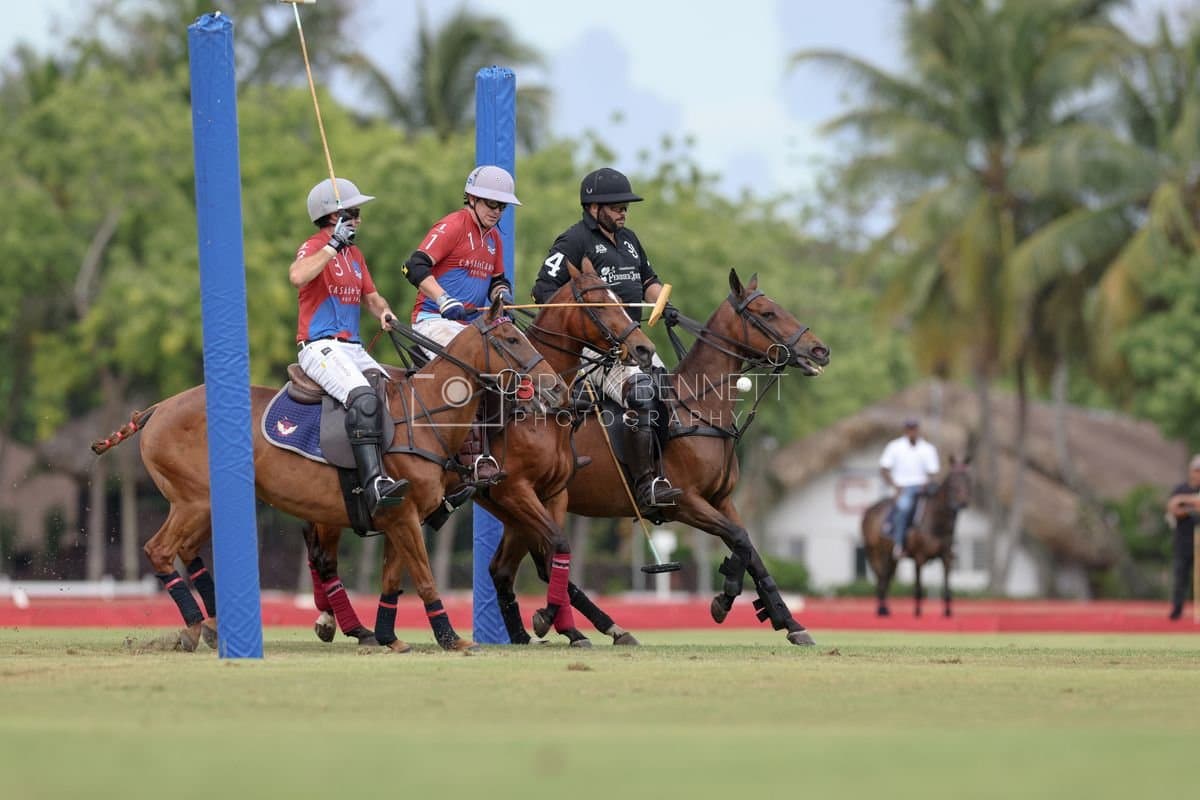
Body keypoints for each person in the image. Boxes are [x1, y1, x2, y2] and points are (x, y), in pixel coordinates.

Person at [530, 167, 681, 511]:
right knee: (642, 395)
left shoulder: (629, 240)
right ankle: (645, 486)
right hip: (596, 348)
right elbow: (543, 291)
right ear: (593, 207)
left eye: (625, 207)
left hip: (633, 341)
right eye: (616, 207)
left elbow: (648, 280)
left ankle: (667, 473)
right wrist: (584, 328)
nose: (623, 212)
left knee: (671, 396)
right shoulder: (573, 241)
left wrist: (663, 303)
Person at [290, 177, 409, 517]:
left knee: (396, 396)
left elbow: (371, 297)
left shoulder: (355, 254)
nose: (359, 219)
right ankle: (373, 484)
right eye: (354, 213)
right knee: (363, 398)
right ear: (334, 216)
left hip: (352, 347)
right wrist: (332, 245)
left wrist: (384, 312)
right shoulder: (314, 245)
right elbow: (298, 276)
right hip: (318, 346)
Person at [399, 165, 521, 488]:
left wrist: (501, 294)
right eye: (491, 204)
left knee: (517, 358)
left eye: (502, 206)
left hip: (473, 328)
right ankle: (472, 457)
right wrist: (443, 299)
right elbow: (413, 266)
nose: (497, 212)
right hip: (433, 321)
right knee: (477, 363)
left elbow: (498, 280)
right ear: (471, 198)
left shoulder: (494, 239)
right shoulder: (453, 225)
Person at [879, 418, 940, 559]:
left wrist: (927, 482)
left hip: (923, 488)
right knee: (904, 508)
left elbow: (933, 471)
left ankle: (945, 543)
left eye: (914, 429)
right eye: (909, 429)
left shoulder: (927, 449)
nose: (912, 432)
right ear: (905, 430)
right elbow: (884, 469)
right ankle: (899, 543)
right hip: (903, 487)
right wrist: (895, 485)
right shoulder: (895, 447)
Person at [1164, 455, 1199, 620]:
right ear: (1191, 471)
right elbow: (1173, 507)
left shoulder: (1182, 494)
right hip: (1183, 541)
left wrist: (1184, 502)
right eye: (1197, 470)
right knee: (1180, 577)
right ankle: (1177, 610)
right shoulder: (1180, 488)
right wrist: (1192, 504)